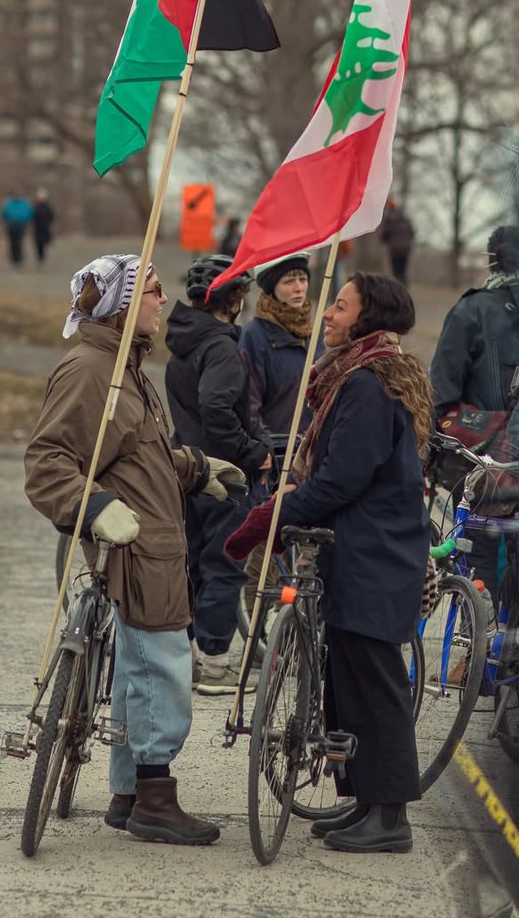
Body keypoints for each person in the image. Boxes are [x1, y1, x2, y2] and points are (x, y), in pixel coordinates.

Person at [24, 254, 241, 844]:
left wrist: (196, 468)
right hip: (133, 546)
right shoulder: (92, 369)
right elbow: (48, 464)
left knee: (136, 673)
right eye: (151, 290)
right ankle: (154, 799)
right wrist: (93, 507)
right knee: (160, 668)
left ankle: (126, 794)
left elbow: (136, 452)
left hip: (154, 543)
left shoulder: (127, 367)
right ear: (122, 302)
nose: (162, 301)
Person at [225, 273, 432, 853]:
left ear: (367, 319)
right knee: (349, 681)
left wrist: (275, 513)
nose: (329, 314)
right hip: (361, 549)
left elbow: (342, 477)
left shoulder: (367, 385)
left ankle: (390, 817)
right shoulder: (360, 376)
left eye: (341, 306)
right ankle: (366, 800)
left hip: (375, 552)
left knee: (375, 684)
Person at [430, 223, 519, 603]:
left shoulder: (470, 310)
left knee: (479, 581)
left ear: (493, 261)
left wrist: (488, 432)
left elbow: (439, 399)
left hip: (479, 469)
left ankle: (477, 659)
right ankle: (517, 662)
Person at [164, 253, 272, 694]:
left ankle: (185, 654)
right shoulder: (222, 346)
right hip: (222, 475)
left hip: (185, 469)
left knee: (189, 563)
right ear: (232, 299)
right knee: (225, 565)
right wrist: (252, 453)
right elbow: (216, 408)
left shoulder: (185, 343)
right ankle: (214, 663)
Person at [239, 254, 317, 453]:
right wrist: (266, 450)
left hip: (311, 455)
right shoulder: (254, 336)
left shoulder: (313, 332)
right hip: (276, 457)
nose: (299, 288)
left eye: (303, 279)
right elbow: (248, 407)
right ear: (272, 287)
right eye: (289, 281)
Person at [379, 199, 415, 284]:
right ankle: (404, 285)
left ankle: (397, 286)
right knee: (403, 269)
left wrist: (385, 240)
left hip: (394, 249)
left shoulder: (389, 219)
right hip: (405, 248)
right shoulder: (406, 219)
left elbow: (384, 234)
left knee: (396, 269)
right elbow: (412, 233)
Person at [1, 192, 33, 267]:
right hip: (11, 224)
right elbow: (4, 213)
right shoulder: (8, 204)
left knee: (19, 242)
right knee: (12, 243)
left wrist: (27, 222)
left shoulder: (24, 204)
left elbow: (29, 214)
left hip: (21, 225)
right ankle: (13, 260)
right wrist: (5, 221)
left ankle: (19, 259)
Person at [32, 188, 55, 264]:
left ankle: (44, 258)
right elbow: (32, 217)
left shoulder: (48, 207)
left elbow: (52, 217)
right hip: (37, 229)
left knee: (45, 243)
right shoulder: (36, 207)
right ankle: (40, 259)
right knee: (38, 244)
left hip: (46, 228)